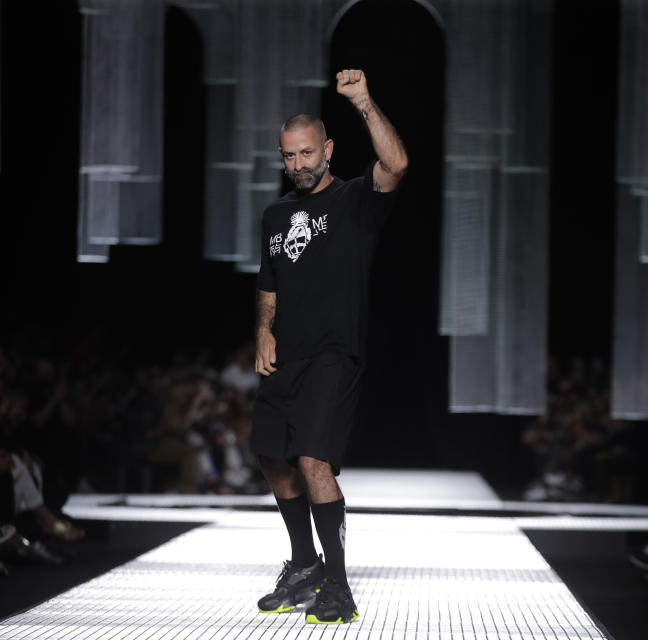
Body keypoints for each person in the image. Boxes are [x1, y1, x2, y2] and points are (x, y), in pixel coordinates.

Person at [251, 68, 407, 625]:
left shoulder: (354, 201)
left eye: (306, 153)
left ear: (327, 148)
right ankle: (303, 566)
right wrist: (263, 330)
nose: (297, 165)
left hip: (334, 353)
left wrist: (364, 101)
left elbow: (397, 165)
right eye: (288, 156)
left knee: (314, 460)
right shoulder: (274, 215)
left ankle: (338, 586)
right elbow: (268, 283)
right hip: (285, 355)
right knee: (272, 457)